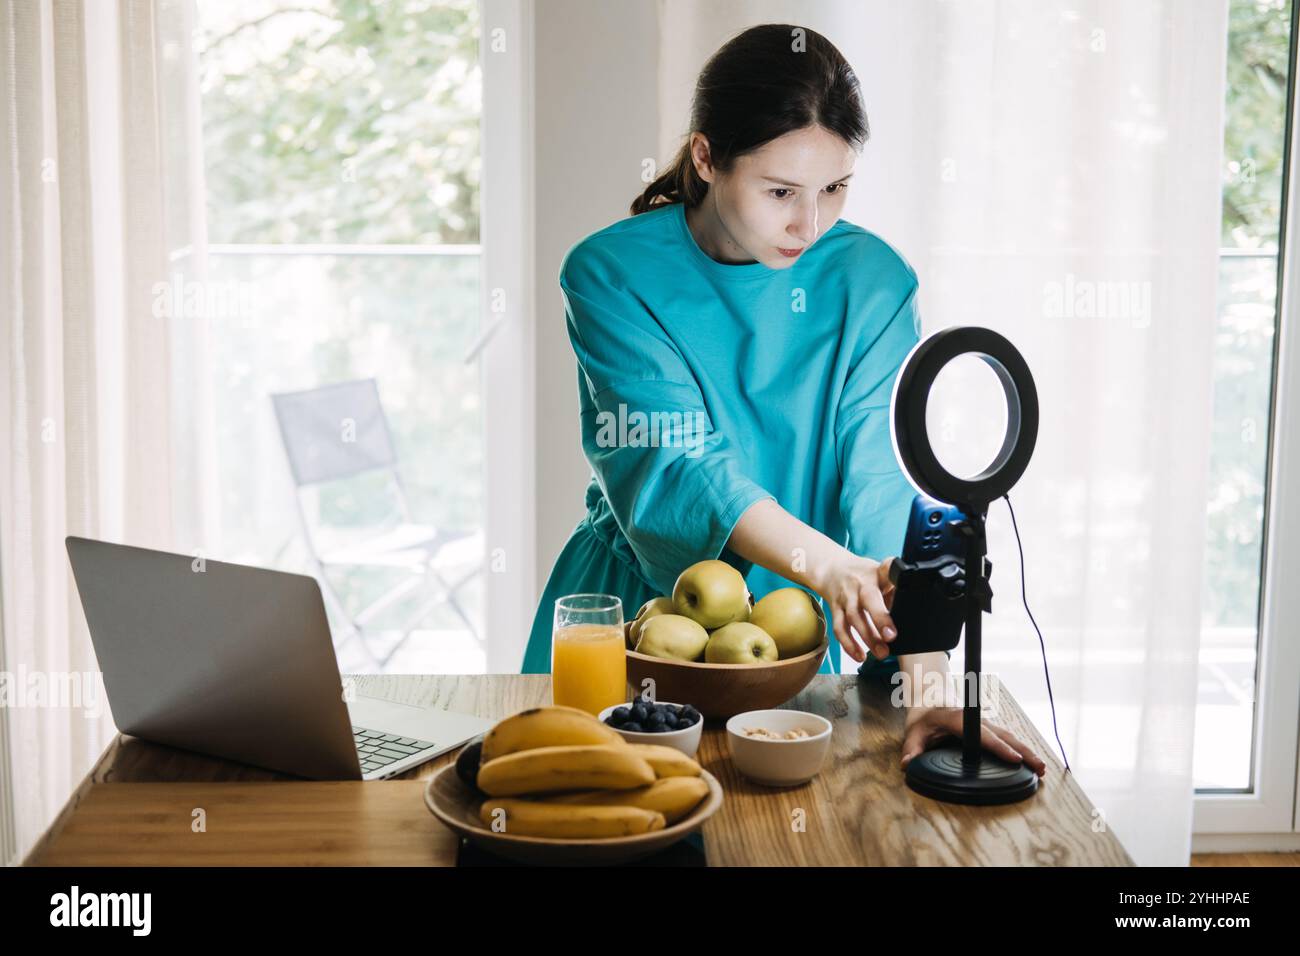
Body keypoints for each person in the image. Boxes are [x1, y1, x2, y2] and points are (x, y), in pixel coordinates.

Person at [523, 24, 1045, 777]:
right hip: (641, 617)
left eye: (835, 188)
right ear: (706, 157)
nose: (811, 224)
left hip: (795, 627)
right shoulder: (609, 271)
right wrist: (829, 567)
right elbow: (677, 465)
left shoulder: (871, 281)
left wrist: (927, 682)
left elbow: (877, 478)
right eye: (780, 192)